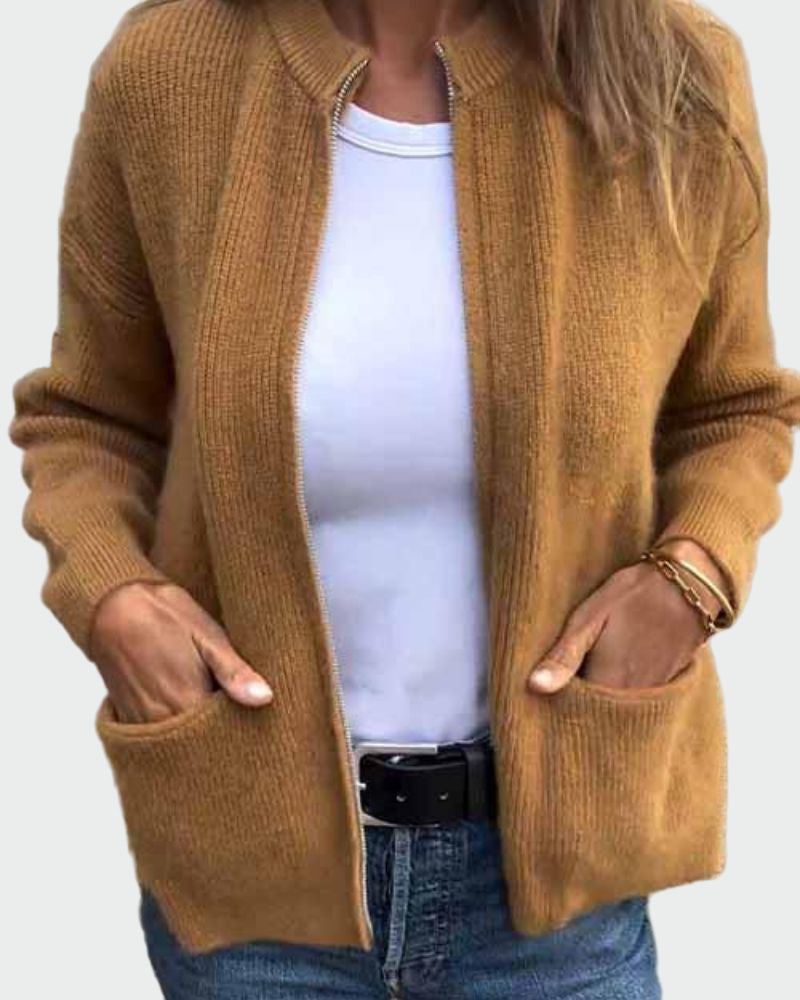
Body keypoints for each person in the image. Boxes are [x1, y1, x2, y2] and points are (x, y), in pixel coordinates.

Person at [9, 0, 800, 996]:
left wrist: (690, 576)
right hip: (251, 884)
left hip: (551, 899)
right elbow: (89, 418)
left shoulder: (673, 71)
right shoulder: (167, 73)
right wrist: (112, 596)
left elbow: (732, 407)